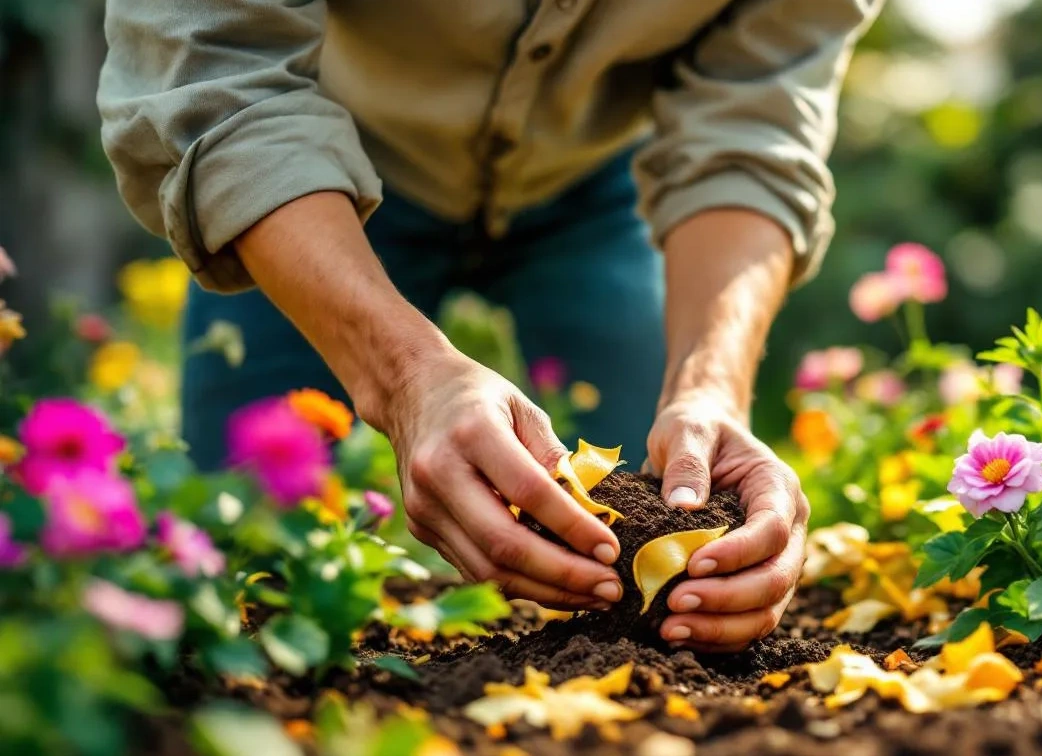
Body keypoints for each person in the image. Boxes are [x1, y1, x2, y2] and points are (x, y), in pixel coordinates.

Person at [97, 0, 881, 652]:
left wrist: (709, 390)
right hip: (310, 170)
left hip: (598, 185)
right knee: (243, 565)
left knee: (662, 531)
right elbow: (213, 67)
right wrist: (405, 376)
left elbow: (753, 135)